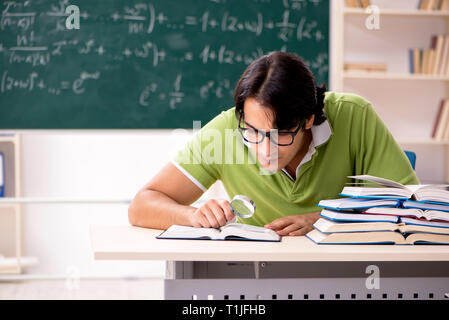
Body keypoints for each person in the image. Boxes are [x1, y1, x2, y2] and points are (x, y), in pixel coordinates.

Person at [128, 51, 419, 236]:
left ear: (308, 119)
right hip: (258, 274)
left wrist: (324, 219)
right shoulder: (227, 129)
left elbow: (407, 204)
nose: (265, 150)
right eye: (253, 132)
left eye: (281, 134)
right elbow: (142, 205)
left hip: (347, 270)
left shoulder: (354, 116)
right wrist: (194, 215)